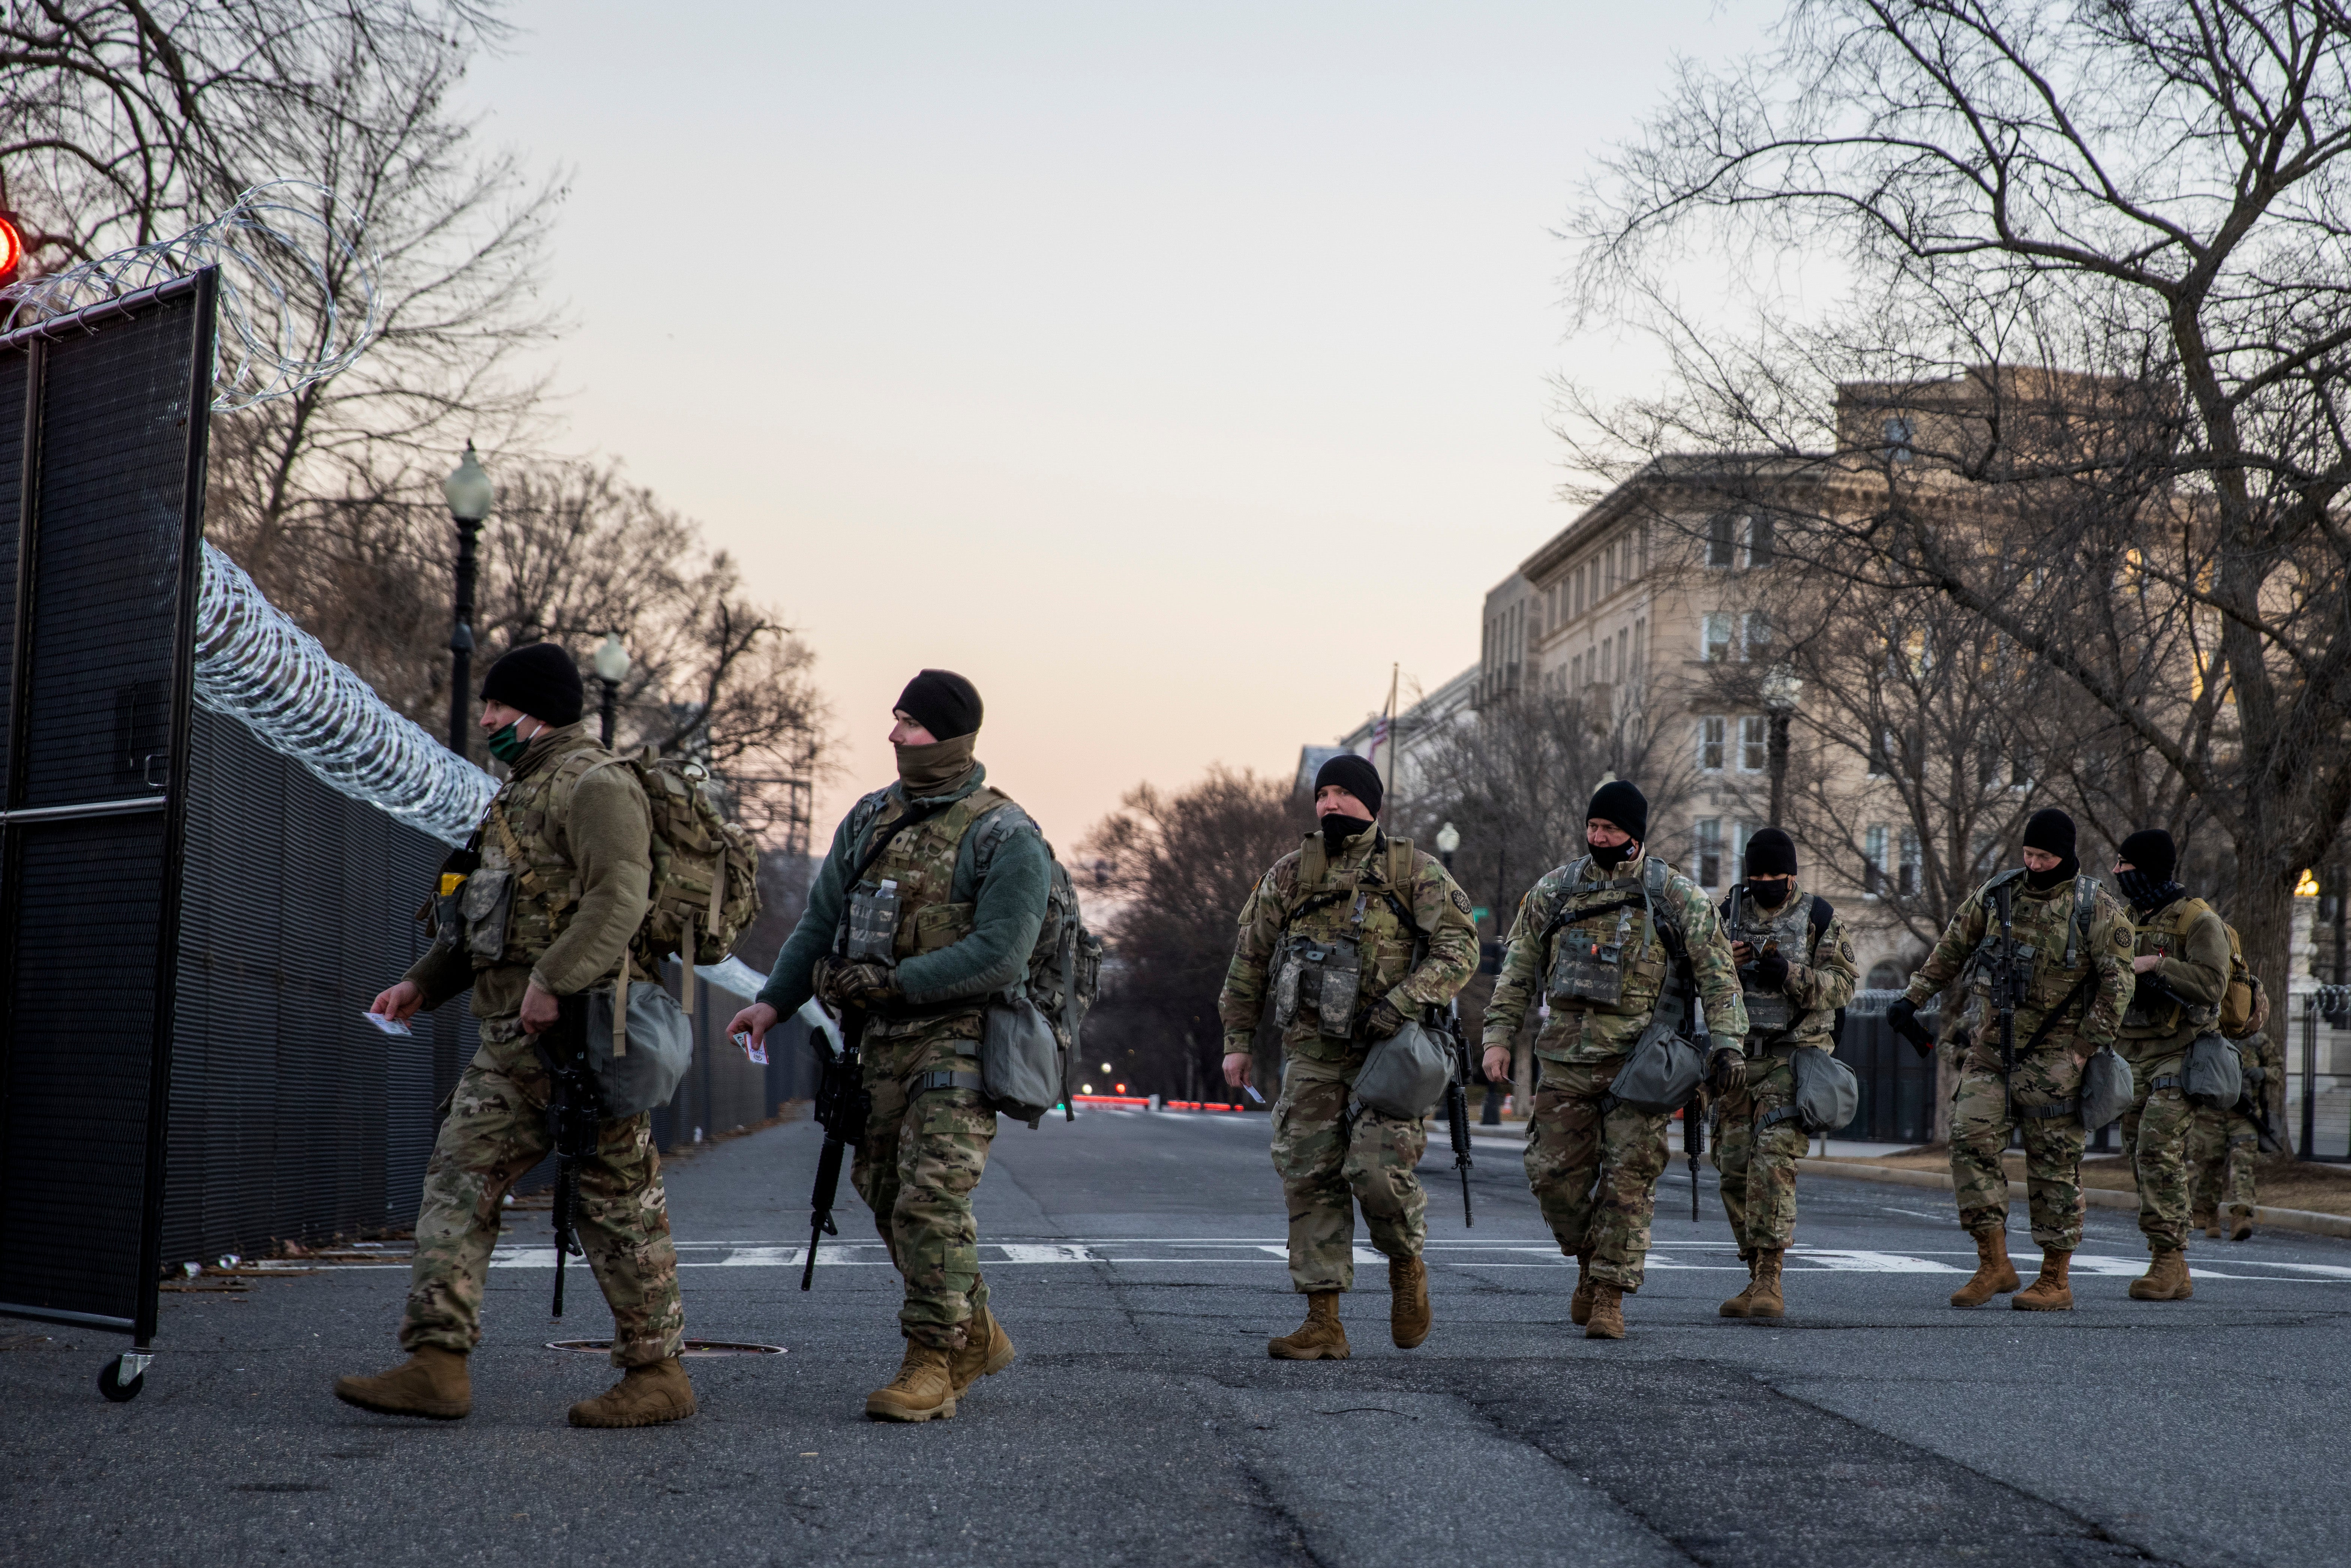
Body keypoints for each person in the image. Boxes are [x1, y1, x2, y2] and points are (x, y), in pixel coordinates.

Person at [338, 643, 693, 1428]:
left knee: (618, 1204)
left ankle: (659, 1373)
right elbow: (480, 921)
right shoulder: (516, 796)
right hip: (509, 1040)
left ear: (538, 708)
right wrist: (421, 982)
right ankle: (437, 1362)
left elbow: (618, 900)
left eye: (499, 706)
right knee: (457, 1182)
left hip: (584, 1036)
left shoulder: (598, 785)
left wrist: (551, 980)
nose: (488, 719)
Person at [728, 671, 1049, 1423]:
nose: (895, 735)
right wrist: (773, 1000)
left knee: (930, 1199)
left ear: (952, 736)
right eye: (895, 719)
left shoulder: (1006, 836)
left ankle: (932, 1361)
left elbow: (1003, 953)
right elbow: (818, 921)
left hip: (960, 1040)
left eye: (910, 723)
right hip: (874, 1045)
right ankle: (978, 1331)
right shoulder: (869, 818)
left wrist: (895, 981)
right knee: (882, 1192)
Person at [1215, 753, 1479, 1360]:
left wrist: (1406, 1001)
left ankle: (1406, 1266)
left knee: (1376, 1174)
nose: (1330, 803)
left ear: (1371, 803)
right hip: (1310, 1053)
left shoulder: (1413, 870)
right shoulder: (1289, 874)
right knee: (1309, 1178)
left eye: (1342, 793)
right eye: (1322, 793)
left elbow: (1459, 948)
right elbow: (1249, 960)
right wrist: (1237, 1042)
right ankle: (1322, 1320)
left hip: (1390, 1053)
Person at [1479, 781, 1747, 1340]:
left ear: (1635, 835)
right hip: (1565, 1063)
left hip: (1641, 1068)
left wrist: (1726, 1043)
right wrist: (1496, 1038)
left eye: (1610, 830)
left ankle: (1608, 1296)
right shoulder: (1554, 891)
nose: (1598, 837)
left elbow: (1718, 977)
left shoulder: (1675, 897)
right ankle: (1585, 1262)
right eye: (1592, 828)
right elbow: (1516, 971)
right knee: (1551, 1177)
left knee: (1628, 1184)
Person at [1889, 808, 2135, 1312]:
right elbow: (1952, 946)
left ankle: (2054, 1278)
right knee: (1968, 1140)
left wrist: (2084, 1047)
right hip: (1990, 1051)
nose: (2033, 863)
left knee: (2052, 1166)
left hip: (2055, 1059)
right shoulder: (1998, 894)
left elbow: (2118, 982)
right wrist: (1912, 998)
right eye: (2027, 854)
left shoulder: (2093, 907)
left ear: (2063, 855)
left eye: (2042, 856)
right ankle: (1993, 1263)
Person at [1710, 828, 1857, 1319]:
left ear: (1791, 874)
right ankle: (1754, 1276)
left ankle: (1770, 1279)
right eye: (1758, 876)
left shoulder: (1818, 918)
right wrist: (1721, 965)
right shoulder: (1727, 912)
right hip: (1738, 1058)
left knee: (1771, 1162)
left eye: (1776, 876)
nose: (1767, 884)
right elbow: (1694, 975)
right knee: (1732, 1168)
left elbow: (1841, 988)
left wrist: (1789, 975)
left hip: (1792, 1057)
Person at [2108, 829, 2230, 1301]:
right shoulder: (2125, 917)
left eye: (2125, 865)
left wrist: (2156, 965)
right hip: (2133, 1051)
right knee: (2138, 1150)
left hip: (2181, 1052)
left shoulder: (2198, 920)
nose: (2118, 873)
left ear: (2147, 868)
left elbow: (2213, 984)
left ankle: (2169, 1259)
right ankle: (2169, 1258)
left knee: (2158, 1148)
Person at [2190, 1029, 2283, 1241]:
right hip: (2209, 1116)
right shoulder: (2204, 1037)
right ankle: (2210, 1215)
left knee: (2242, 1163)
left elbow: (2277, 1070)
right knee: (2209, 1167)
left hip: (2245, 1117)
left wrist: (2263, 1073)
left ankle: (2240, 1217)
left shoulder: (2257, 1039)